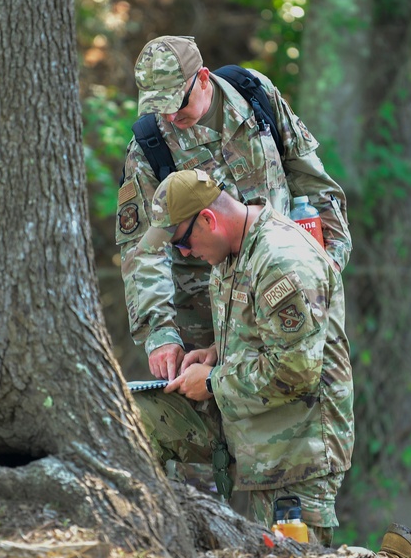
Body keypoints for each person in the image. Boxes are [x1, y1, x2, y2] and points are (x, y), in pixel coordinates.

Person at [133, 169, 411, 558]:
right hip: (261, 431)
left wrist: (212, 382)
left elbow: (295, 371)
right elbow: (259, 332)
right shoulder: (232, 250)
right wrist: (216, 351)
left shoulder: (280, 260)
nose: (183, 253)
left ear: (208, 219)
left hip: (298, 447)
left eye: (183, 241)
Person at [115, 35, 352, 382]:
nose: (169, 114)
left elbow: (311, 181)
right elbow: (142, 250)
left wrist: (329, 261)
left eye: (177, 102)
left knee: (300, 398)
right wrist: (160, 332)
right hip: (205, 316)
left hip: (284, 288)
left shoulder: (254, 94)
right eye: (158, 105)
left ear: (204, 79)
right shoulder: (149, 147)